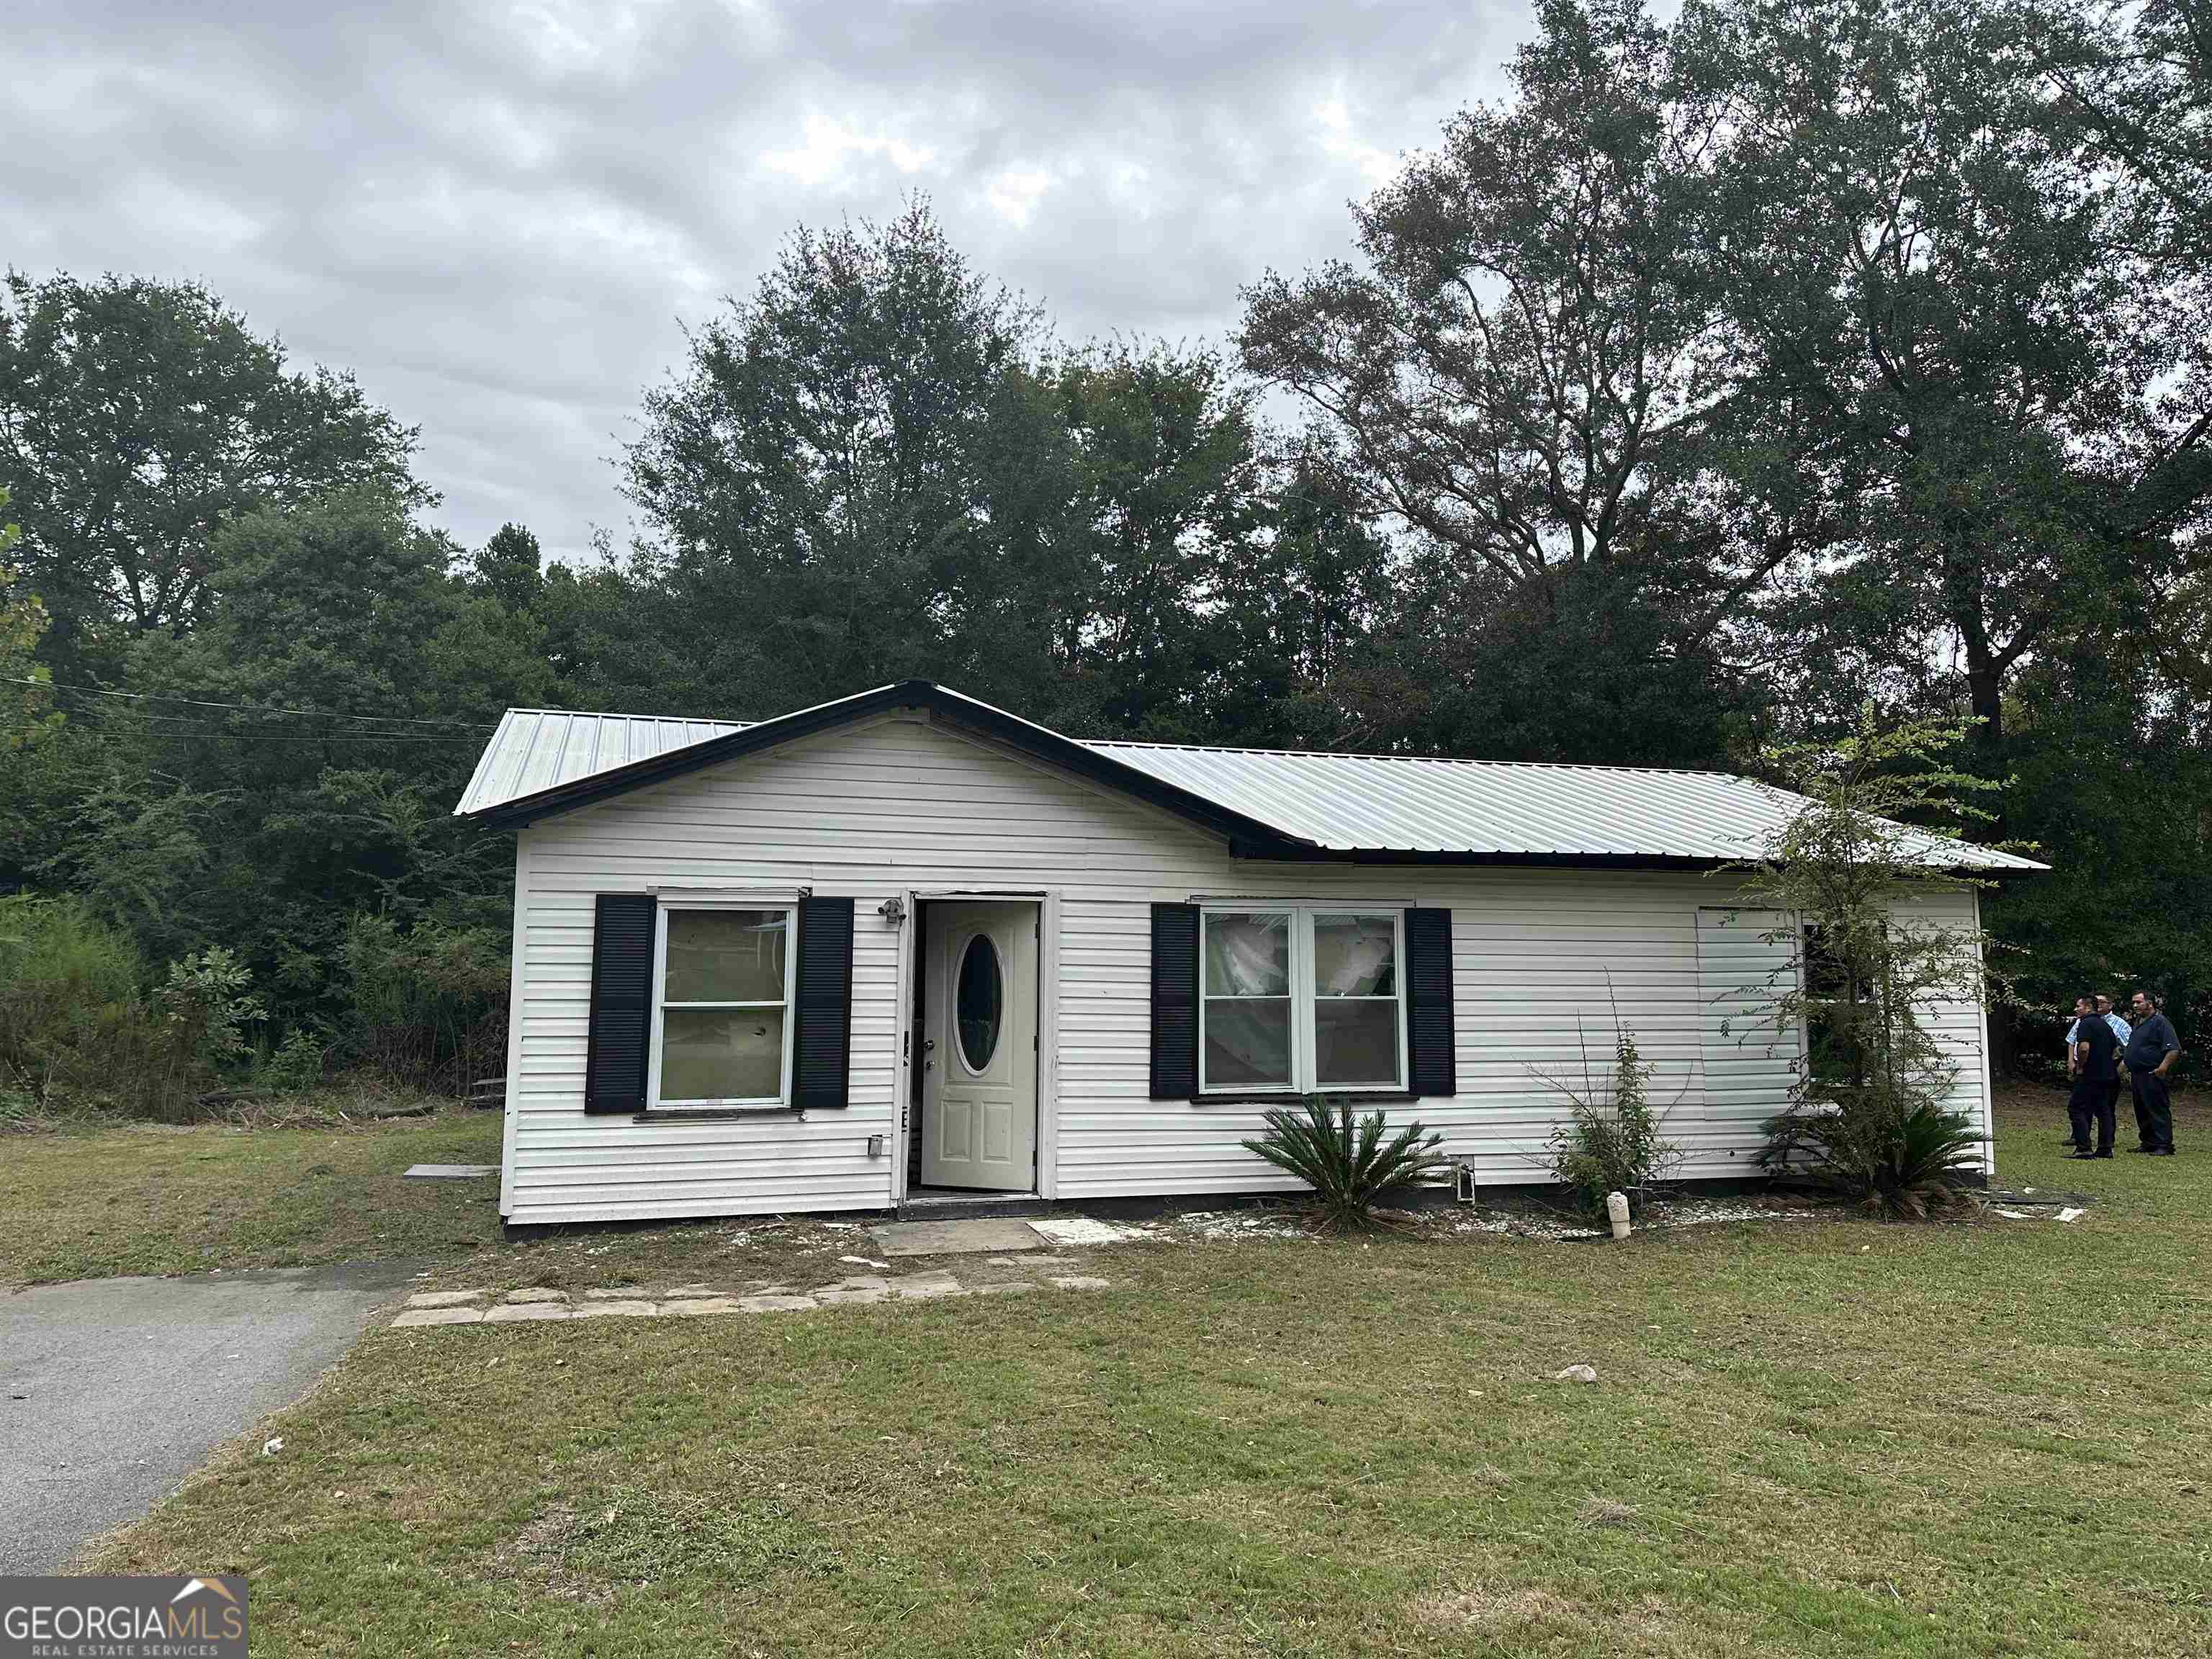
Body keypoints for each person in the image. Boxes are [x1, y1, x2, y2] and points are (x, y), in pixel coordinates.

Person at [2124, 990, 2180, 1156]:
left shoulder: (2160, 1022)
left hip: (2153, 1073)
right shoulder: (2139, 1022)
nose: (2135, 1006)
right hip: (2137, 1074)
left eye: (2138, 1002)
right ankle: (2148, 1142)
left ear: (2150, 1003)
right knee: (2141, 1108)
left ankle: (2164, 1144)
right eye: (2134, 1003)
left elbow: (2173, 1049)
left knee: (2157, 1108)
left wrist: (2162, 1068)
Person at [2066, 995, 2120, 1158]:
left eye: (2078, 1006)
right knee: (2104, 1110)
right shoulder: (2105, 1026)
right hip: (2108, 1074)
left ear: (2088, 1008)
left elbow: (2084, 1048)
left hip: (2091, 1074)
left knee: (2076, 1108)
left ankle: (2084, 1148)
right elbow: (2115, 1050)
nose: (2076, 1009)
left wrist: (2081, 1067)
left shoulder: (2085, 1024)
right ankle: (2105, 1148)